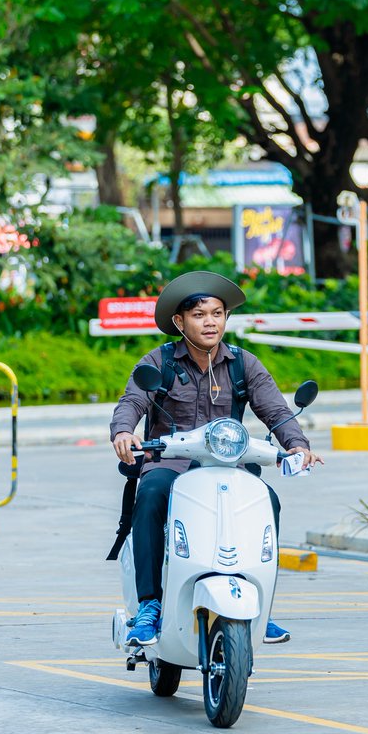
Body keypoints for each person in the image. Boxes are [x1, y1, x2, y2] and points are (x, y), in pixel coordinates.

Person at [110, 271, 324, 647]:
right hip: (171, 464)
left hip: (228, 465)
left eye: (217, 313)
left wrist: (297, 445)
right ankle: (150, 605)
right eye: (199, 314)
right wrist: (124, 431)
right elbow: (132, 401)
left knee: (267, 501)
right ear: (179, 322)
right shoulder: (159, 361)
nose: (209, 322)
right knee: (151, 494)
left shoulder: (243, 364)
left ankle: (260, 604)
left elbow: (275, 410)